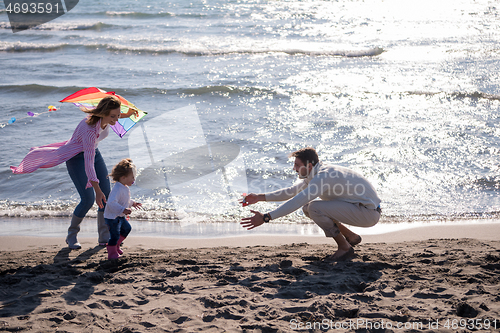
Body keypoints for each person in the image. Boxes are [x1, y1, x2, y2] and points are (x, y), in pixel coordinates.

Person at [10, 95, 138, 249]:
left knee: (106, 195)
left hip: (94, 153)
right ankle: (72, 235)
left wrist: (128, 114)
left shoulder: (108, 117)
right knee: (88, 199)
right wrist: (96, 190)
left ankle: (104, 237)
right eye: (113, 116)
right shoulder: (90, 129)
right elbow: (88, 164)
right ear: (103, 113)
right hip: (76, 157)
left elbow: (114, 118)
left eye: (118, 115)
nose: (116, 119)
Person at [241, 147, 381, 262]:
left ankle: (344, 248)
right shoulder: (316, 173)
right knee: (308, 208)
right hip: (362, 209)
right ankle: (351, 237)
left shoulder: (323, 177)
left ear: (308, 166)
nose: (294, 168)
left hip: (368, 213)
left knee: (314, 207)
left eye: (297, 165)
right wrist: (259, 197)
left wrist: (266, 217)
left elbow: (296, 201)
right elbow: (292, 192)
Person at [104, 158, 141, 259]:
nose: (134, 180)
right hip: (112, 217)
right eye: (132, 177)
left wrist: (132, 203)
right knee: (115, 235)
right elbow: (111, 203)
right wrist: (123, 210)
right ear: (123, 177)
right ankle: (112, 253)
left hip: (119, 215)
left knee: (127, 229)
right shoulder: (117, 189)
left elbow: (124, 200)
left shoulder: (124, 186)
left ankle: (116, 245)